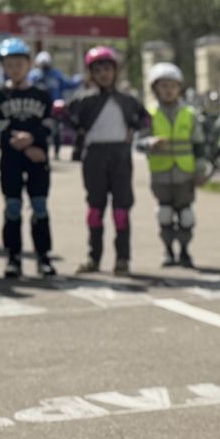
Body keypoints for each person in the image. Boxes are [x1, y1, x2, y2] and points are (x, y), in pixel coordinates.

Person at [67, 46, 148, 275]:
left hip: (120, 155)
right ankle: (94, 257)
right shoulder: (84, 100)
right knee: (95, 208)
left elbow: (144, 119)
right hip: (94, 156)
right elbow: (66, 116)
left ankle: (122, 258)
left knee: (121, 210)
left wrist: (137, 130)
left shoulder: (127, 100)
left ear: (116, 71)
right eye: (98, 70)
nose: (104, 74)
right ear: (91, 73)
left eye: (108, 69)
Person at [0, 38, 57, 279]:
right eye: (9, 65)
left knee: (39, 206)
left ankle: (43, 257)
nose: (14, 69)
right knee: (12, 207)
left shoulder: (41, 94)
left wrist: (33, 138)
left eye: (19, 64)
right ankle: (14, 258)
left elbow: (49, 125)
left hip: (38, 160)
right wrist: (22, 144)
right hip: (12, 159)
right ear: (3, 67)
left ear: (28, 64)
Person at [138, 62, 207, 268]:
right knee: (164, 214)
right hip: (160, 175)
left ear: (179, 88)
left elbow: (199, 145)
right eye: (163, 86)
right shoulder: (148, 115)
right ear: (155, 89)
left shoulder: (189, 114)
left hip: (184, 174)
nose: (168, 90)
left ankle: (185, 251)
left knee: (186, 216)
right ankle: (168, 250)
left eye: (172, 86)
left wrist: (200, 170)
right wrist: (150, 143)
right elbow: (138, 142)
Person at [28, 51, 81, 159]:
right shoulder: (34, 76)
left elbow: (68, 84)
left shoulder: (56, 75)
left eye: (46, 64)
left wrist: (79, 79)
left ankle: (56, 152)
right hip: (37, 109)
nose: (45, 67)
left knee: (56, 131)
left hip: (54, 109)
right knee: (38, 130)